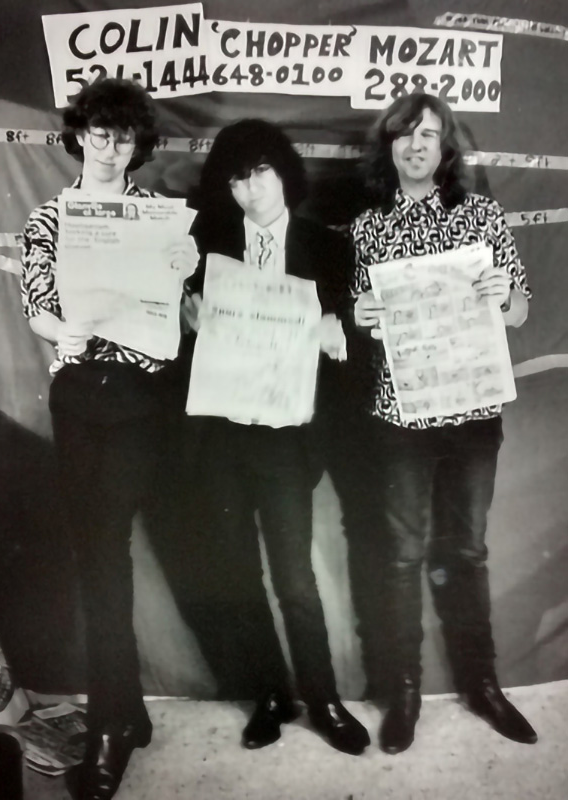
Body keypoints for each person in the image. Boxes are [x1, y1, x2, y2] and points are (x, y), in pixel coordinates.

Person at [21, 78, 197, 800]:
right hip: (79, 398)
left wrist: (184, 280)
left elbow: (181, 320)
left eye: (123, 135)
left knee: (114, 548)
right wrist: (66, 327)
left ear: (138, 145)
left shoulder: (161, 216)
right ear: (77, 133)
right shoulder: (49, 216)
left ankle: (115, 719)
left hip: (142, 400)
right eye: (98, 130)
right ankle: (118, 715)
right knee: (99, 553)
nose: (108, 145)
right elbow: (38, 306)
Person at [348, 93, 537, 754]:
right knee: (401, 556)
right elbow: (357, 317)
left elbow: (518, 308)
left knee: (467, 551)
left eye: (429, 135)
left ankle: (483, 685)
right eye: (405, 135)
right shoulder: (368, 226)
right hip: (399, 413)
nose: (417, 146)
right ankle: (403, 693)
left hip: (473, 409)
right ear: (390, 147)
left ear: (445, 148)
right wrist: (360, 316)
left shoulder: (483, 215)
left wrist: (503, 295)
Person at [184, 119, 369, 755]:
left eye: (261, 171)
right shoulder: (205, 241)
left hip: (288, 437)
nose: (251, 187)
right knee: (237, 573)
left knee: (294, 577)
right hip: (221, 434)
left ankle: (323, 697)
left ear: (285, 173)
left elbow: (351, 345)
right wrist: (188, 315)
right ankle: (270, 692)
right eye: (237, 176)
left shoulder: (326, 246)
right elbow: (180, 326)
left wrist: (332, 333)